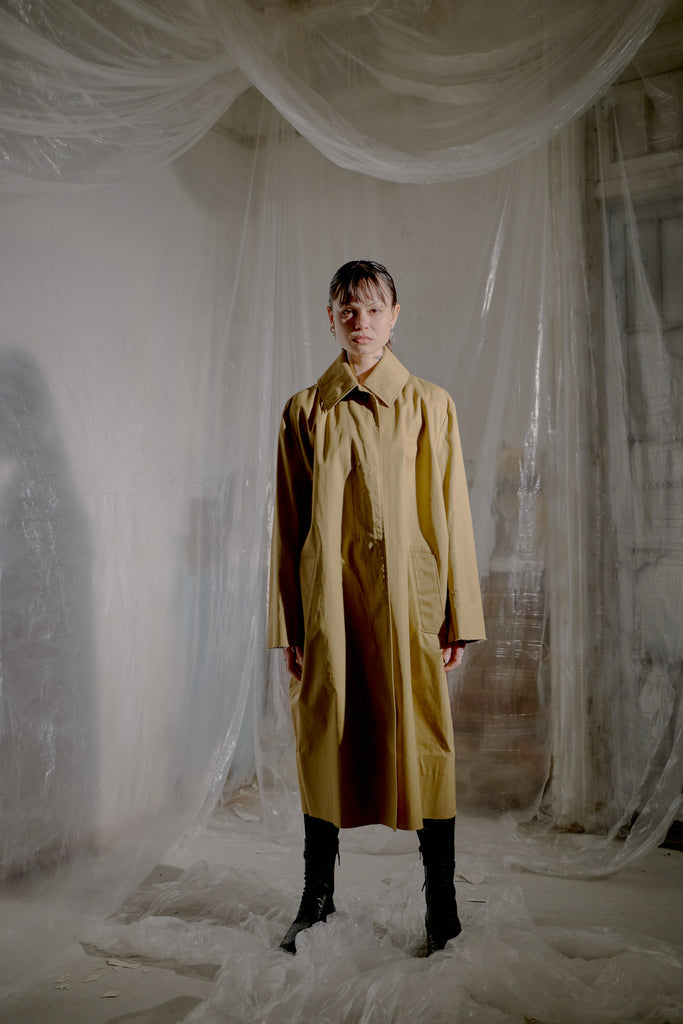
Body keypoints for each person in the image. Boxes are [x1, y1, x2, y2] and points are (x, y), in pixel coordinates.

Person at [268, 260, 486, 956]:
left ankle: (442, 905)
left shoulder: (430, 404)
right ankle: (316, 898)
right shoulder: (305, 410)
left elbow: (452, 513)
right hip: (328, 602)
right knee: (323, 735)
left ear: (395, 316)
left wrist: (458, 618)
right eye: (346, 308)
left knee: (425, 740)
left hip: (409, 602)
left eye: (372, 308)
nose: (359, 321)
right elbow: (288, 524)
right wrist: (290, 625)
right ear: (329, 318)